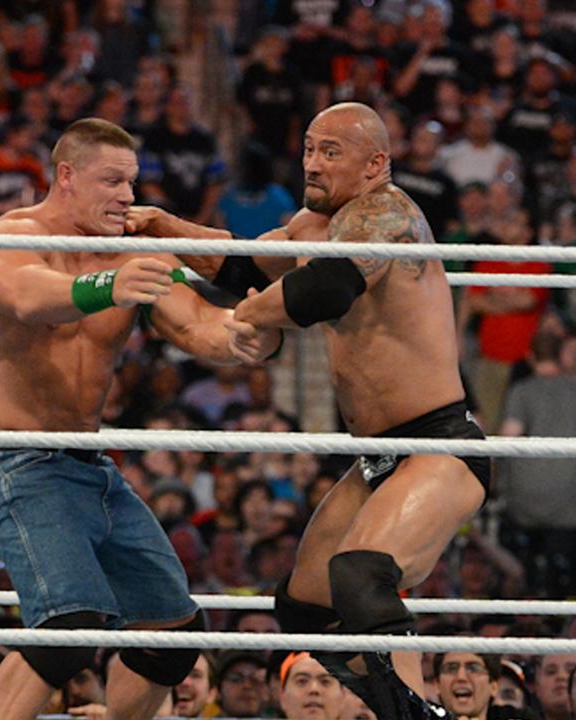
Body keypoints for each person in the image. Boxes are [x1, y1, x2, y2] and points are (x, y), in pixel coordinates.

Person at [130, 102, 491, 720]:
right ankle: (402, 708)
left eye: (332, 152)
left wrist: (246, 317)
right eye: (308, 149)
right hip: (376, 455)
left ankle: (412, 713)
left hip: (439, 444)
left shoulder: (388, 215)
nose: (313, 164)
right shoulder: (308, 226)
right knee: (305, 606)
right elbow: (241, 263)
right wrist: (162, 225)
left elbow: (321, 291)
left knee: (358, 575)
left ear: (376, 164)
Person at [0, 117, 282, 720]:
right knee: (70, 625)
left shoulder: (134, 253)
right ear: (66, 176)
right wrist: (107, 285)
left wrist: (250, 333)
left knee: (173, 633)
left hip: (93, 467)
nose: (127, 198)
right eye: (111, 181)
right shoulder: (10, 236)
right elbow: (29, 297)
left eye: (132, 183)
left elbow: (197, 326)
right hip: (20, 464)